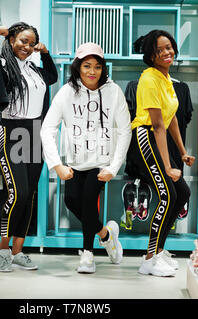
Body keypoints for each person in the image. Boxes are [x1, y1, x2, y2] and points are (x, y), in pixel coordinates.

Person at [40, 42, 132, 273]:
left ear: (103, 68)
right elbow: (47, 128)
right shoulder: (67, 92)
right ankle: (106, 235)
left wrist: (113, 166)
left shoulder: (114, 92)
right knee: (72, 201)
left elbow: (124, 130)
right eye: (87, 66)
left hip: (101, 162)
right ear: (78, 67)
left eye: (97, 66)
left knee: (89, 201)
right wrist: (56, 164)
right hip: (74, 161)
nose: (92, 71)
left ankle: (88, 255)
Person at [0, 22, 57, 272]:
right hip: (12, 132)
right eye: (22, 41)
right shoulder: (0, 66)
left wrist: (45, 54)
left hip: (34, 133)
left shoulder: (34, 68)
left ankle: (19, 251)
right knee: (17, 193)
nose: (27, 47)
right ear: (11, 41)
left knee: (29, 194)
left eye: (31, 43)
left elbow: (51, 77)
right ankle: (3, 249)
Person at [125, 30, 195, 277]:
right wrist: (167, 166)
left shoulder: (166, 77)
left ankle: (159, 249)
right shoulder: (149, 79)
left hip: (158, 138)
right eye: (159, 50)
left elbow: (172, 116)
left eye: (169, 47)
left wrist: (184, 152)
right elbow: (157, 125)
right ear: (151, 56)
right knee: (167, 195)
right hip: (145, 137)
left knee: (182, 193)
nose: (167, 53)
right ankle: (149, 259)